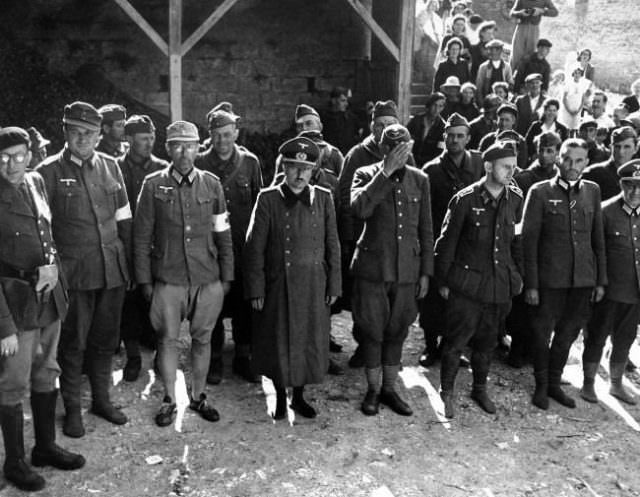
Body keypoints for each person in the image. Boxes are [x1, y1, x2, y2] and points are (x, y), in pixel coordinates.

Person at [37, 102, 132, 438]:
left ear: (99, 134)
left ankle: (103, 401)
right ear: (65, 132)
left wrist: (129, 265)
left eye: (90, 133)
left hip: (111, 271)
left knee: (105, 340)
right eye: (76, 132)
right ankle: (73, 409)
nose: (83, 139)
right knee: (73, 344)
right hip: (74, 276)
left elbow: (124, 219)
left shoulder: (110, 166)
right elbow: (42, 230)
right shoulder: (46, 172)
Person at [0, 127, 85, 492]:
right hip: (15, 302)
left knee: (46, 371)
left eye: (19, 155)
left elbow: (46, 236)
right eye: (3, 158)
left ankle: (45, 448)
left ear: (30, 157)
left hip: (48, 297)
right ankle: (15, 463)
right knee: (12, 384)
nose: (12, 164)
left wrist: (56, 278)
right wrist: (3, 327)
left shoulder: (35, 182)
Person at [134, 120, 234, 427]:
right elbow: (140, 238)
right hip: (168, 277)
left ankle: (199, 396)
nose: (184, 152)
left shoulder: (212, 184)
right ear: (167, 149)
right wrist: (144, 281)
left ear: (198, 147)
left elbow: (223, 233)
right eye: (177, 145)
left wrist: (227, 276)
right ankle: (169, 399)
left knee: (202, 340)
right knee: (167, 341)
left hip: (206, 276)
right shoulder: (153, 185)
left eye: (190, 145)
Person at [244, 137, 341, 419]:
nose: (299, 175)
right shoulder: (268, 199)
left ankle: (298, 396)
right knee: (277, 341)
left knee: (306, 341)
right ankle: (279, 398)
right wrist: (256, 288)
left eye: (306, 168)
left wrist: (334, 284)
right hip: (277, 285)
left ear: (314, 171)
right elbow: (254, 249)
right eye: (294, 167)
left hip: (313, 285)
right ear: (284, 168)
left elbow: (332, 244)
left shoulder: (323, 198)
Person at [435, 141, 523, 418]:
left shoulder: (514, 199)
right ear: (488, 166)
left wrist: (518, 275)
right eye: (505, 167)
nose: (511, 172)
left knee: (487, 343)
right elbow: (446, 244)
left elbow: (516, 242)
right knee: (455, 343)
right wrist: (444, 281)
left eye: (513, 167)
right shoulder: (465, 199)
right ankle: (446, 393)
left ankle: (479, 388)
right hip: (467, 286)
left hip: (498, 286)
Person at [351, 124, 433, 417]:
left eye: (403, 147)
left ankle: (389, 388)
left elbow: (426, 229)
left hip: (406, 272)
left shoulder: (420, 180)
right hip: (373, 269)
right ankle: (372, 390)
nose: (398, 153)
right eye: (392, 147)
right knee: (372, 331)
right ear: (382, 148)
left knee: (397, 331)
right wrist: (384, 173)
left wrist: (425, 273)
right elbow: (359, 209)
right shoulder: (364, 174)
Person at [522, 138, 606, 410]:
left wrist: (599, 280)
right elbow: (529, 242)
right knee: (540, 332)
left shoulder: (592, 191)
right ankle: (541, 385)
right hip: (549, 281)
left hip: (581, 280)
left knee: (568, 334)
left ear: (587, 162)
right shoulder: (540, 192)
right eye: (567, 159)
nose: (572, 165)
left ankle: (555, 383)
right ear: (558, 159)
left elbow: (598, 239)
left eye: (579, 160)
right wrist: (532, 285)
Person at [337, 101, 414, 368]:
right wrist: (348, 240)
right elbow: (346, 200)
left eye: (389, 124)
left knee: (394, 304)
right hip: (365, 238)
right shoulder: (358, 155)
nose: (384, 130)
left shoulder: (405, 152)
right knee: (364, 305)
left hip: (395, 242)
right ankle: (365, 348)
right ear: (372, 126)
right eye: (379, 125)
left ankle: (389, 355)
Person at [195, 106, 263, 385]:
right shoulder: (199, 162)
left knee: (244, 303)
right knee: (212, 305)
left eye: (227, 134)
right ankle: (213, 359)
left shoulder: (250, 163)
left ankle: (243, 357)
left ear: (236, 132)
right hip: (210, 250)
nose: (222, 141)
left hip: (241, 247)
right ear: (209, 135)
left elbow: (261, 207)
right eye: (216, 135)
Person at [420, 113, 484, 367]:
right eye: (451, 136)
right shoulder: (432, 170)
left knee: (461, 298)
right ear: (444, 137)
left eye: (460, 136)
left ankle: (453, 346)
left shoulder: (478, 165)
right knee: (433, 299)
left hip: (468, 244)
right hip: (439, 243)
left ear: (468, 138)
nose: (455, 140)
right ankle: (430, 346)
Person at [580, 160, 640, 405]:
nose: (635, 192)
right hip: (608, 289)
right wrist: (598, 284)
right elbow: (594, 251)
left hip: (635, 292)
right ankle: (588, 383)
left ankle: (615, 384)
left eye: (639, 186)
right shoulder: (605, 212)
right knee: (596, 336)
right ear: (620, 184)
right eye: (629, 185)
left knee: (625, 338)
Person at [117, 115, 169, 382]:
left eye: (151, 138)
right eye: (143, 139)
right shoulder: (115, 169)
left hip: (155, 249)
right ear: (128, 140)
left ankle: (162, 354)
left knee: (160, 302)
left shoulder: (163, 169)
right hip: (126, 248)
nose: (149, 143)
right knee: (129, 304)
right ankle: (134, 357)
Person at [508, 131, 561, 368]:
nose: (545, 154)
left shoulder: (561, 180)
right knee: (522, 305)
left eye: (550, 150)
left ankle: (536, 350)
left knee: (545, 305)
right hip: (525, 245)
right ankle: (517, 350)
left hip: (550, 250)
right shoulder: (524, 179)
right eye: (542, 148)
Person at [582, 126, 638, 201]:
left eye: (627, 147)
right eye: (617, 147)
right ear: (611, 147)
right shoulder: (594, 173)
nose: (621, 152)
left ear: (635, 149)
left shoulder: (636, 176)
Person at [291, 104, 344, 177]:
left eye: (309, 123)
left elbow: (346, 184)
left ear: (320, 127)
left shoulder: (333, 154)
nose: (304, 128)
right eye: (299, 126)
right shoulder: (289, 153)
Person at [509, 0, 558, 70]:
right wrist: (521, 13)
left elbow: (555, 12)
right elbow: (512, 13)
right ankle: (512, 77)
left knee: (530, 56)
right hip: (521, 27)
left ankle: (526, 78)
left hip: (534, 29)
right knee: (516, 55)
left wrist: (541, 11)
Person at [407, 93, 446, 166]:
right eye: (434, 105)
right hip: (410, 162)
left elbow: (439, 152)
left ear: (443, 108)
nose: (436, 109)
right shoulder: (416, 120)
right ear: (429, 105)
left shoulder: (442, 127)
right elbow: (406, 139)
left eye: (440, 106)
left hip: (429, 165)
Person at [524, 98, 569, 163]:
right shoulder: (535, 126)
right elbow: (527, 143)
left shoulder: (562, 128)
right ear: (544, 111)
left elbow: (565, 147)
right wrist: (533, 155)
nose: (551, 113)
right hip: (536, 160)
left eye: (554, 110)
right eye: (549, 110)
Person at [320, 87, 361, 155]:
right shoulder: (324, 119)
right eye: (343, 101)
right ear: (333, 101)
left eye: (346, 101)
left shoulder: (352, 119)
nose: (346, 104)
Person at [558, 66, 592, 136]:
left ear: (581, 75)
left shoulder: (582, 85)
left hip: (577, 110)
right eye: (575, 73)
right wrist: (569, 110)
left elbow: (583, 99)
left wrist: (578, 110)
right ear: (573, 74)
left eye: (579, 73)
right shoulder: (568, 84)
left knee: (574, 128)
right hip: (568, 109)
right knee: (566, 128)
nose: (577, 75)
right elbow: (564, 99)